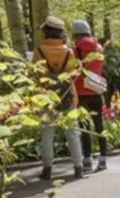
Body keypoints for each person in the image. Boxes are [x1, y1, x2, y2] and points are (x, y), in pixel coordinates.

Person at [32, 16, 84, 180]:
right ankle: (78, 167)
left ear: (46, 31)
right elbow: (74, 73)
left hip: (46, 96)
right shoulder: (68, 51)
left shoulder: (39, 51)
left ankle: (47, 169)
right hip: (68, 95)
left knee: (47, 132)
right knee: (72, 132)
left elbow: (34, 73)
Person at [72, 20, 107, 172]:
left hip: (81, 92)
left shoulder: (75, 50)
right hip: (96, 90)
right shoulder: (99, 49)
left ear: (76, 34)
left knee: (84, 128)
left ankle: (87, 160)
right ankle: (103, 160)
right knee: (99, 126)